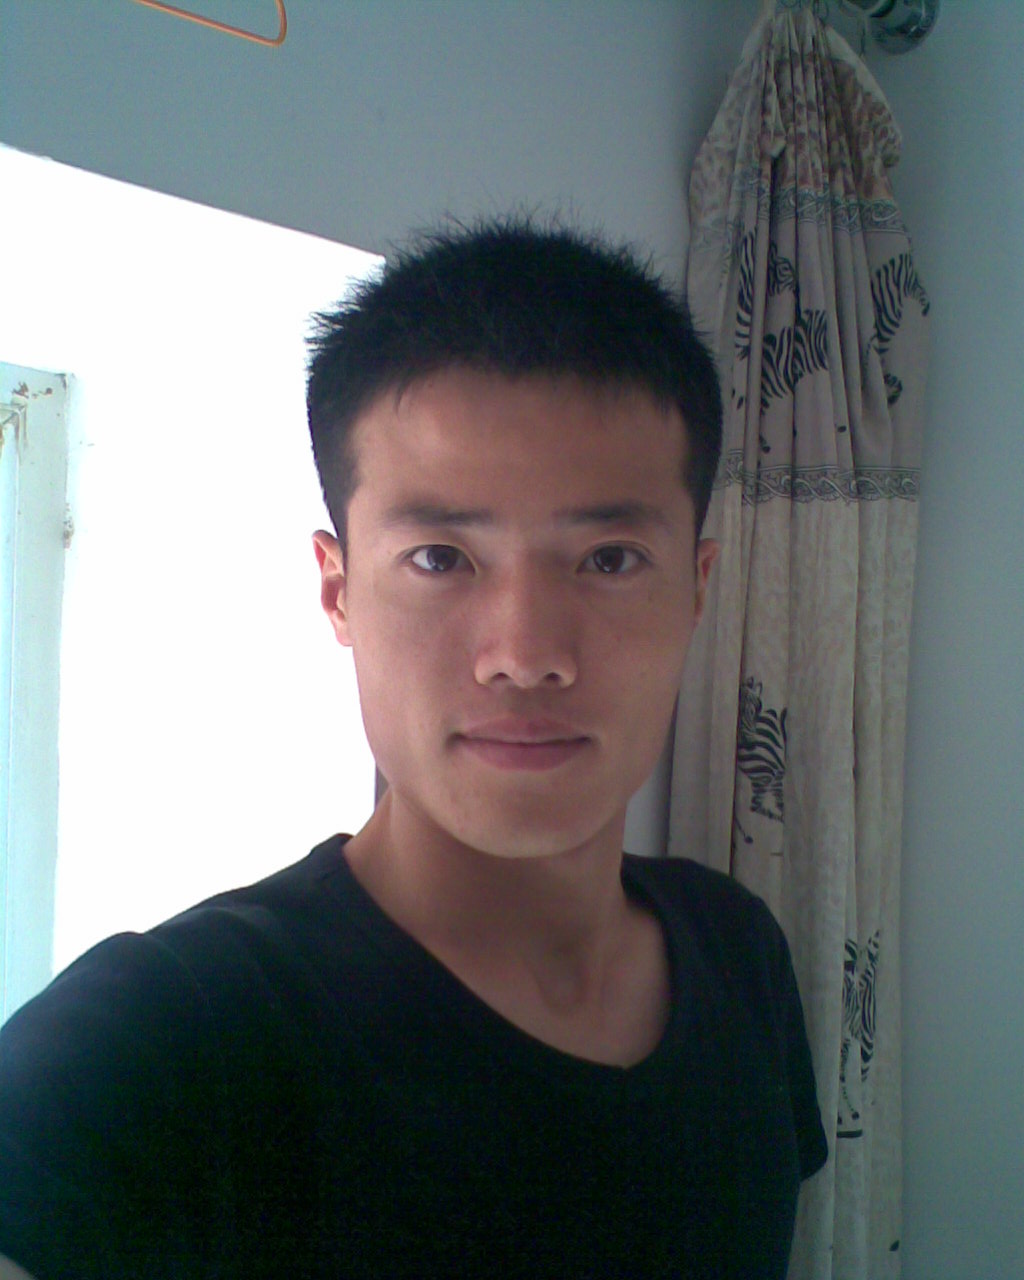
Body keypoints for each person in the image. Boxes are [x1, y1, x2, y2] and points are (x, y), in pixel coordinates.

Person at [0, 219, 827, 1279]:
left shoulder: (740, 954)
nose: (525, 655)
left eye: (610, 558)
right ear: (338, 590)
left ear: (696, 589)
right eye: (440, 557)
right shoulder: (169, 1037)